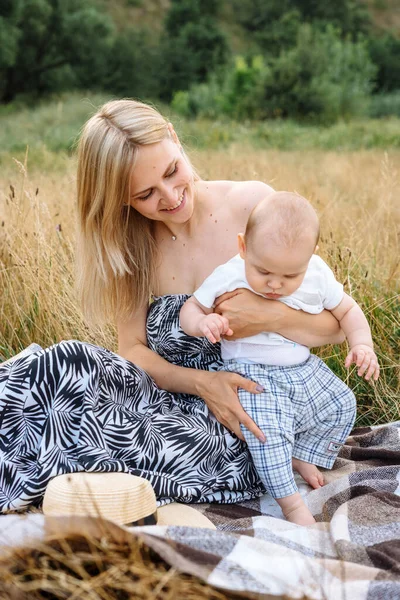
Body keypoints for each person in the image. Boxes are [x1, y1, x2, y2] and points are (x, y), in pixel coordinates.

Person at [0, 100, 344, 515]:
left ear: (175, 139)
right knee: (61, 363)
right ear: (121, 200)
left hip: (248, 414)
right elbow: (132, 352)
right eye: (145, 194)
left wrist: (271, 317)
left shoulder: (252, 204)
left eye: (171, 171)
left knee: (120, 436)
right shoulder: (129, 245)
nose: (170, 196)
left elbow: (335, 326)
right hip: (167, 394)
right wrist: (200, 383)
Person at [180, 192, 379, 525]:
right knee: (267, 436)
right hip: (252, 374)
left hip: (303, 368)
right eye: (264, 272)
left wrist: (363, 345)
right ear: (243, 248)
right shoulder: (231, 273)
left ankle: (302, 455)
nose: (274, 284)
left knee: (342, 402)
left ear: (309, 258)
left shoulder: (315, 273)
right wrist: (203, 322)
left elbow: (347, 310)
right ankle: (292, 505)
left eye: (289, 277)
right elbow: (192, 308)